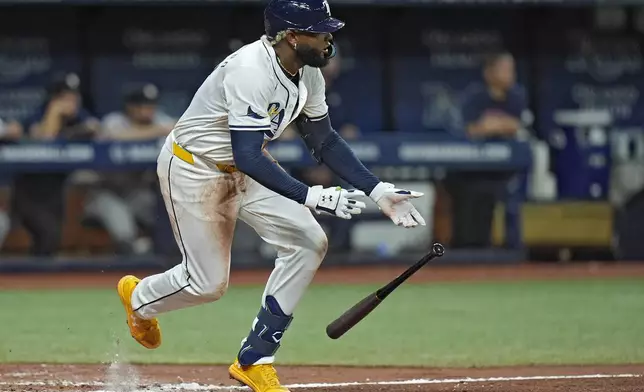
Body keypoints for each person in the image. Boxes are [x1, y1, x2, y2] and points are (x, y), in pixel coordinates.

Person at [116, 1, 426, 391]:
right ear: (291, 37)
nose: (328, 37)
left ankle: (255, 357)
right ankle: (140, 298)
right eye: (319, 30)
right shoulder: (250, 70)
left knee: (309, 241)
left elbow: (323, 140)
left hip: (248, 166)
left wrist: (377, 189)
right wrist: (311, 196)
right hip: (195, 169)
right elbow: (246, 155)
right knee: (207, 284)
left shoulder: (308, 73)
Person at [446, 52, 528, 248]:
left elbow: (517, 125)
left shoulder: (517, 96)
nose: (510, 74)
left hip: (505, 171)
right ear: (489, 73)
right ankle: (464, 244)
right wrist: (495, 126)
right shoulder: (475, 96)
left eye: (512, 70)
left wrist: (493, 125)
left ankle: (511, 245)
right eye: (504, 69)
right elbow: (472, 129)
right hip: (472, 170)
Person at [84, 84, 175, 255]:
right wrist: (157, 131)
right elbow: (115, 135)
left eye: (151, 106)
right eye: (142, 106)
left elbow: (178, 129)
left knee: (172, 215)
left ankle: (160, 255)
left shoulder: (160, 120)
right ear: (130, 107)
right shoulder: (114, 121)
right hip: (107, 191)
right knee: (124, 234)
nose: (148, 111)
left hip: (138, 191)